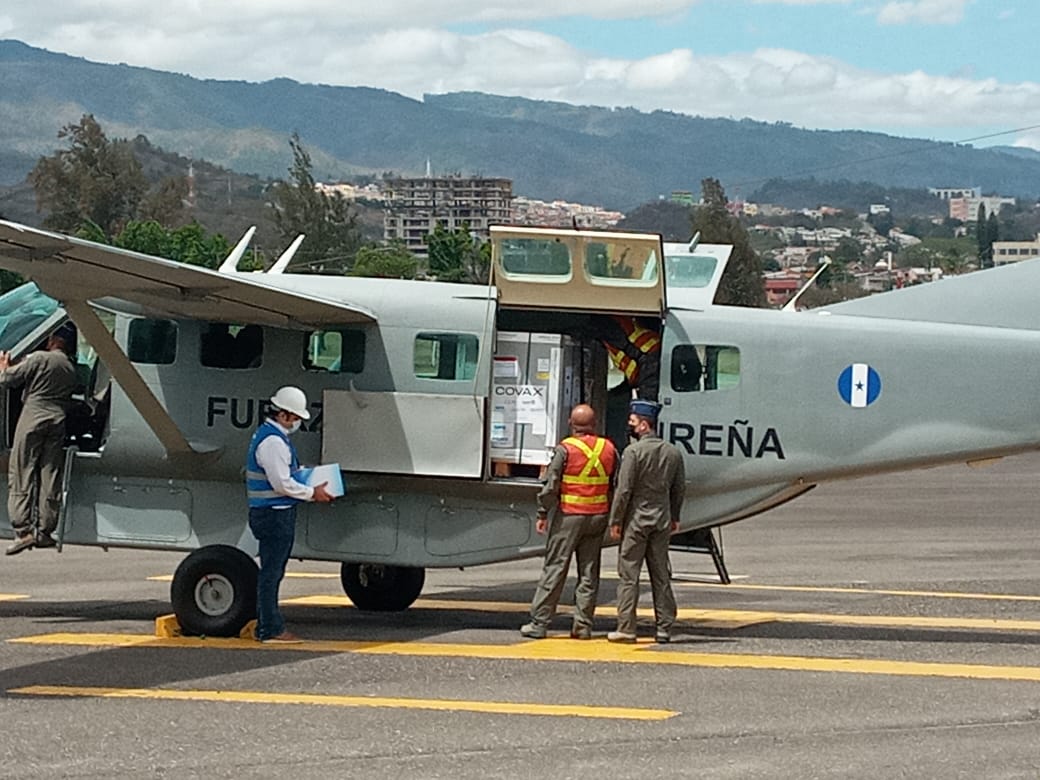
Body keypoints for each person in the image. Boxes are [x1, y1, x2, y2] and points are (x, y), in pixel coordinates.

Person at [520, 404, 618, 640]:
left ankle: (540, 623)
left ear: (570, 424)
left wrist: (543, 512)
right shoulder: (609, 448)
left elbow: (551, 485)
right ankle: (583, 626)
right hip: (598, 517)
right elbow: (616, 483)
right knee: (589, 572)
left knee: (555, 567)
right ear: (594, 425)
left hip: (569, 516)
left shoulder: (565, 449)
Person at [245, 386, 333, 643]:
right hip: (274, 515)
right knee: (272, 573)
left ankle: (267, 624)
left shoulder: (271, 437)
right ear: (283, 415)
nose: (297, 423)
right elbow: (281, 484)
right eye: (295, 418)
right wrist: (312, 493)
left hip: (272, 513)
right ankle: (270, 628)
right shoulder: (273, 443)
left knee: (272, 572)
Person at [607, 399, 686, 644]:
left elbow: (624, 490)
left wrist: (616, 520)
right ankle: (664, 627)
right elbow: (679, 488)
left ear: (643, 425)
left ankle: (626, 628)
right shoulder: (673, 452)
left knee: (629, 575)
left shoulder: (633, 452)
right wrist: (674, 516)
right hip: (661, 520)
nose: (629, 425)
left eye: (632, 422)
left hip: (636, 521)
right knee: (661, 574)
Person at [2, 324, 77, 555]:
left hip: (33, 417)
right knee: (49, 473)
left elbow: (7, 380)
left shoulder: (40, 359)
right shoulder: (70, 368)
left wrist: (4, 366)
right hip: (57, 420)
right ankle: (45, 530)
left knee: (22, 470)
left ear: (55, 340)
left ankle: (23, 530)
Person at [600, 315, 661, 401]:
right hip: (645, 365)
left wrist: (646, 402)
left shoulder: (614, 331)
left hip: (651, 357)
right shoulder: (607, 339)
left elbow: (646, 360)